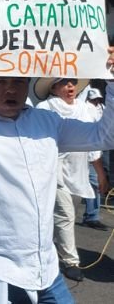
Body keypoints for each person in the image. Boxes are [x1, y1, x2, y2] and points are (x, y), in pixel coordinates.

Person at [0, 44, 114, 304]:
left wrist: (112, 80)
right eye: (0, 81)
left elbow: (105, 135)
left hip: (44, 265)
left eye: (18, 80)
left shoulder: (47, 122)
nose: (10, 88)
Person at [36, 78, 110, 281]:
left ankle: (43, 248)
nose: (70, 86)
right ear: (53, 87)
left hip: (78, 171)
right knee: (65, 215)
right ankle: (71, 261)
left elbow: (93, 143)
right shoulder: (45, 107)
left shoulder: (84, 109)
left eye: (73, 82)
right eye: (64, 83)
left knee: (62, 214)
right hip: (54, 171)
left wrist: (101, 174)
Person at [82, 88, 109, 231]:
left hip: (94, 152)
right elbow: (93, 133)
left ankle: (92, 216)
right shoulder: (86, 109)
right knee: (94, 183)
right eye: (94, 99)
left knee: (93, 184)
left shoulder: (99, 108)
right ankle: (91, 216)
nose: (97, 101)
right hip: (87, 153)